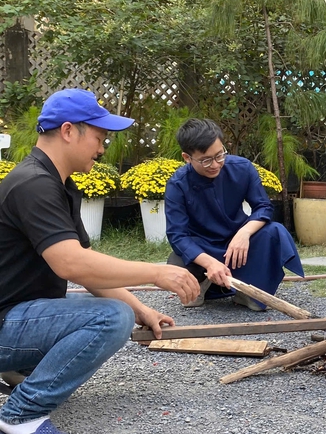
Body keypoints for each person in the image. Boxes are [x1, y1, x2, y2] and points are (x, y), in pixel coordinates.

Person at [0, 89, 200, 434]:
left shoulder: (55, 184)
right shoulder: (34, 185)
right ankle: (20, 415)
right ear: (68, 131)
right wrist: (156, 272)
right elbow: (71, 264)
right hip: (6, 321)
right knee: (110, 317)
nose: (102, 148)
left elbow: (86, 265)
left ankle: (19, 371)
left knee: (114, 310)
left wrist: (142, 310)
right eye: (99, 137)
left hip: (13, 314)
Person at [164, 118, 304, 310]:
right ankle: (204, 284)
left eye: (219, 155)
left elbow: (263, 206)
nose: (215, 164)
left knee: (274, 231)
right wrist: (210, 263)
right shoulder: (177, 184)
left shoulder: (242, 168)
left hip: (236, 245)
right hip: (204, 246)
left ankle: (246, 292)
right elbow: (177, 235)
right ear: (187, 158)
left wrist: (244, 233)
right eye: (206, 160)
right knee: (177, 263)